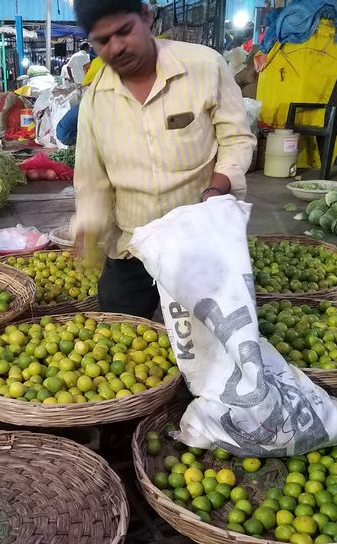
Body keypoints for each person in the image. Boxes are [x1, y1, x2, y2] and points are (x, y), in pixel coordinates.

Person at [73, 0, 256, 319]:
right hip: (132, 245)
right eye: (103, 41)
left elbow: (236, 139)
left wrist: (217, 188)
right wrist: (87, 227)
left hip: (198, 240)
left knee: (211, 338)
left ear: (146, 17)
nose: (116, 47)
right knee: (120, 338)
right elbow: (92, 179)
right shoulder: (95, 100)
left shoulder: (204, 66)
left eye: (124, 31)